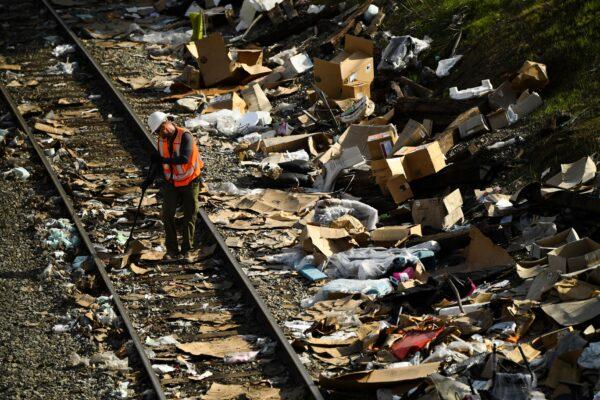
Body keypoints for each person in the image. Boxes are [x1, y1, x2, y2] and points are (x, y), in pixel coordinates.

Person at [143, 111, 204, 262]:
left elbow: (184, 158)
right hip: (172, 182)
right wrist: (149, 179)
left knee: (190, 215)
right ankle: (171, 250)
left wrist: (163, 159)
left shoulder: (185, 136)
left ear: (167, 123)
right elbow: (159, 163)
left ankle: (187, 250)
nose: (160, 133)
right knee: (167, 214)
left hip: (190, 181)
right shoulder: (161, 140)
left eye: (160, 129)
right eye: (157, 132)